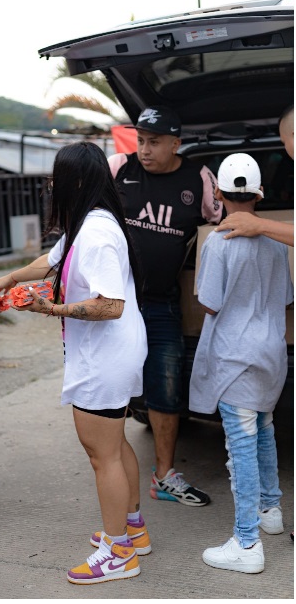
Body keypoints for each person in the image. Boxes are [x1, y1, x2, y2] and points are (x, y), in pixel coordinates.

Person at [0, 141, 148, 585]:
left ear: (75, 181)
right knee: (114, 445)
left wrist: (50, 310)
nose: (51, 185)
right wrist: (12, 276)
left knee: (102, 455)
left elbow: (110, 305)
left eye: (56, 177)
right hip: (111, 353)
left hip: (106, 357)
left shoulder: (96, 235)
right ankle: (132, 530)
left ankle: (117, 552)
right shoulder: (90, 224)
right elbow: (54, 259)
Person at [108, 105, 220, 507]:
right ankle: (110, 468)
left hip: (161, 304)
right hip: (113, 304)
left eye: (154, 142)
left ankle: (163, 476)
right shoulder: (118, 167)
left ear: (176, 143)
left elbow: (219, 227)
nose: (145, 149)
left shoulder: (199, 178)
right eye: (141, 140)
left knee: (167, 387)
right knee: (110, 388)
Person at [189, 153, 293, 574]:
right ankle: (271, 512)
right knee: (264, 430)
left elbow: (209, 304)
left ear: (218, 193)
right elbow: (286, 300)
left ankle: (247, 543)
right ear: (259, 193)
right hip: (272, 353)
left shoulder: (218, 242)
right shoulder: (275, 241)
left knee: (242, 445)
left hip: (235, 357)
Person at [214, 106, 294, 247]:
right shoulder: (277, 243)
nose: (286, 149)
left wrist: (259, 225)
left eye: (283, 142)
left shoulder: (215, 242)